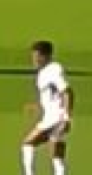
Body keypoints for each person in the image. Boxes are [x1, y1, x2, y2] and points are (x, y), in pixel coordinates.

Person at [24, 40, 73, 175]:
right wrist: (36, 106)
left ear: (46, 56)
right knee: (56, 154)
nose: (34, 60)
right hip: (53, 117)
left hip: (55, 118)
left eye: (37, 56)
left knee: (28, 143)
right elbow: (51, 95)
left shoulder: (54, 70)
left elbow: (67, 92)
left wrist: (66, 118)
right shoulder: (43, 73)